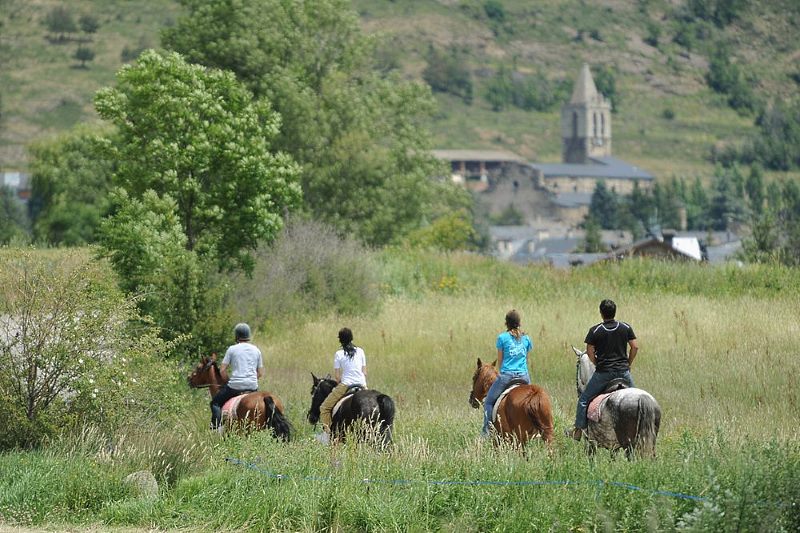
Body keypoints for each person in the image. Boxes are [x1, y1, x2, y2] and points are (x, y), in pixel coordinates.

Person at [568, 299, 638, 440]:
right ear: (615, 311)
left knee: (584, 399)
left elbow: (589, 352)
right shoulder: (625, 327)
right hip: (624, 373)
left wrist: (598, 364)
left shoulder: (595, 330)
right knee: (637, 400)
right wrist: (628, 363)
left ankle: (578, 431)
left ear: (601, 313)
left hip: (604, 374)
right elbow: (635, 347)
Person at [482, 309, 533, 438]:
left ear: (506, 323)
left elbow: (500, 360)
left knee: (488, 402)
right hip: (524, 376)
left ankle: (487, 431)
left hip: (507, 376)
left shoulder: (502, 338)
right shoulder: (526, 339)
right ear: (519, 322)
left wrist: (502, 372)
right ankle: (535, 429)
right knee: (532, 400)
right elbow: (526, 360)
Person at [315, 327, 367, 444]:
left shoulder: (338, 354)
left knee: (324, 408)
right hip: (362, 385)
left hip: (346, 385)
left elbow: (338, 377)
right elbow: (364, 372)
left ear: (340, 340)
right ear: (352, 338)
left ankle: (328, 435)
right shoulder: (361, 351)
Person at [210, 323, 264, 431]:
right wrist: (251, 380)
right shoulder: (256, 350)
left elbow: (222, 370)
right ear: (248, 335)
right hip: (252, 387)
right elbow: (260, 373)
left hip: (235, 387)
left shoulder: (232, 349)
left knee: (215, 403)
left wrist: (228, 380)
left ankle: (216, 430)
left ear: (236, 336)